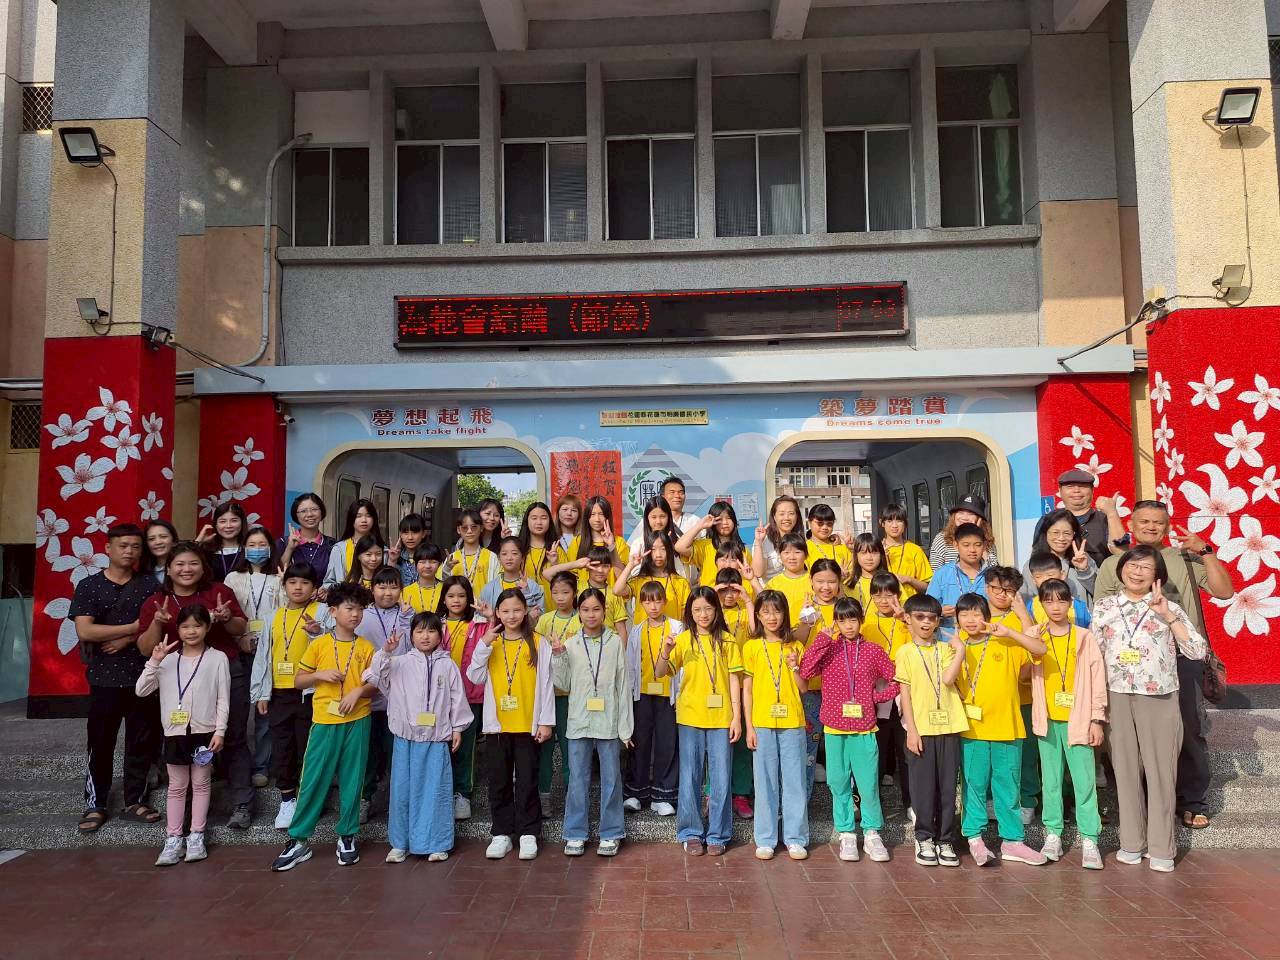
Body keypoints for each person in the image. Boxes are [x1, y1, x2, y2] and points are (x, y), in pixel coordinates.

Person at [1092, 499, 1233, 829]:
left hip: (1181, 658)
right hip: (1130, 669)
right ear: (1132, 525)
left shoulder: (1184, 558)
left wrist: (1206, 552)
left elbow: (1225, 592)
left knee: (1188, 729)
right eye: (1144, 521)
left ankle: (1191, 799)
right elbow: (1103, 614)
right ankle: (1139, 805)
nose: (1151, 527)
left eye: (1158, 522)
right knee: (1129, 738)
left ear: (1167, 527)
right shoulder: (1116, 563)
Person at [1091, 546, 1207, 872]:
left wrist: (1168, 616)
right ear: (1121, 569)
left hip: (1158, 696)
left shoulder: (1168, 607)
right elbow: (1094, 654)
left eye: (1145, 567)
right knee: (1125, 772)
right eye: (1132, 565)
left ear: (1157, 575)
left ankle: (1161, 849)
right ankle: (1131, 843)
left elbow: (1197, 651)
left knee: (1161, 773)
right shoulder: (1104, 607)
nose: (1137, 571)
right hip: (1116, 695)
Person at [138, 543, 252, 829]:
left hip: (225, 671)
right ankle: (187, 809)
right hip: (178, 680)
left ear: (203, 567)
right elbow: (144, 649)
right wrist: (156, 623)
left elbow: (240, 628)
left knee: (233, 736)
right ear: (168, 569)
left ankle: (242, 803)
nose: (186, 569)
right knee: (183, 738)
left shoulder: (219, 591)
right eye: (179, 564)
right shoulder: (156, 601)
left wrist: (226, 618)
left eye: (193, 563)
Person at [271, 581, 380, 871]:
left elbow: (375, 684)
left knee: (353, 779)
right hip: (324, 721)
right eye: (349, 609)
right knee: (313, 779)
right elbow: (298, 681)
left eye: (360, 610)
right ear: (333, 611)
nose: (355, 615)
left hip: (358, 719)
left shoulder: (366, 647)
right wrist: (320, 675)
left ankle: (347, 835)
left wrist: (358, 692)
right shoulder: (319, 644)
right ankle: (298, 839)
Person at [71, 523, 163, 833]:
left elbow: (156, 625)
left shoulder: (149, 585)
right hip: (103, 678)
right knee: (100, 743)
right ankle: (95, 803)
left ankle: (135, 801)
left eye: (136, 546)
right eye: (123, 545)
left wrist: (126, 638)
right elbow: (85, 630)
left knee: (141, 743)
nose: (130, 551)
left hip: (142, 677)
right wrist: (132, 628)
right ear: (108, 548)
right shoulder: (89, 585)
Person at [367, 611, 472, 863]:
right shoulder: (400, 662)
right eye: (420, 631)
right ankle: (400, 843)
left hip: (436, 739)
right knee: (402, 790)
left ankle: (437, 842)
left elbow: (457, 697)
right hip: (406, 738)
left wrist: (457, 728)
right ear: (411, 635)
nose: (425, 636)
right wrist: (386, 651)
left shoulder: (447, 664)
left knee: (435, 791)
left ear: (440, 635)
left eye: (431, 631)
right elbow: (374, 675)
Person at [799, 596, 898, 863]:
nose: (849, 626)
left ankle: (872, 832)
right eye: (842, 621)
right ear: (836, 623)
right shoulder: (829, 648)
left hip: (865, 728)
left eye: (853, 619)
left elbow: (897, 679)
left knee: (868, 783)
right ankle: (846, 833)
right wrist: (822, 637)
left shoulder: (873, 650)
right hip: (834, 728)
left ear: (861, 620)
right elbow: (806, 670)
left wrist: (874, 698)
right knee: (838, 782)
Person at [953, 593, 1049, 866]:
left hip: (1007, 727)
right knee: (974, 784)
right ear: (956, 619)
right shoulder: (954, 646)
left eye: (976, 613)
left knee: (1008, 785)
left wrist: (1010, 632)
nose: (970, 620)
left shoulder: (1004, 642)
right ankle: (974, 837)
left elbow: (1039, 650)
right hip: (972, 730)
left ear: (986, 616)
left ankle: (1012, 841)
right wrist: (957, 649)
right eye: (964, 614)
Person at [137, 605, 229, 866]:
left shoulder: (218, 658)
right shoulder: (167, 660)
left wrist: (220, 731)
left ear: (207, 628)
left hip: (204, 732)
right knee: (177, 786)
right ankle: (173, 838)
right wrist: (154, 661)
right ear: (177, 629)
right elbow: (141, 690)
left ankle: (197, 835)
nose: (191, 631)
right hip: (174, 732)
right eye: (185, 626)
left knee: (201, 783)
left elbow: (223, 698)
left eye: (197, 625)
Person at [467, 589, 556, 861]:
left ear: (526, 610)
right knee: (499, 780)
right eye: (505, 611)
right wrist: (483, 644)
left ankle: (529, 833)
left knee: (528, 779)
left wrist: (546, 721)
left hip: (528, 724)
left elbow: (547, 684)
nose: (511, 616)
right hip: (497, 726)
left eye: (517, 609)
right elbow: (474, 676)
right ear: (497, 613)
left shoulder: (538, 642)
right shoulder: (491, 642)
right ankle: (502, 833)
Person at [655, 586, 743, 856]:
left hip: (721, 717)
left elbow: (734, 680)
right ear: (689, 612)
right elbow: (660, 672)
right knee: (690, 775)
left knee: (721, 777)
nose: (703, 614)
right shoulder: (682, 640)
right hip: (690, 716)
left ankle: (718, 833)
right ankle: (690, 832)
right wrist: (665, 651)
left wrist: (737, 717)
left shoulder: (728, 641)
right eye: (697, 610)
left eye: (708, 608)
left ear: (716, 610)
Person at [1028, 578, 1107, 869]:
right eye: (1048, 600)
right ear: (1040, 604)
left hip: (1080, 719)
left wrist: (1097, 719)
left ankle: (1090, 838)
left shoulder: (1084, 637)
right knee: (1050, 780)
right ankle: (1053, 833)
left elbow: (1097, 679)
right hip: (1047, 720)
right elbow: (1024, 670)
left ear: (1070, 603)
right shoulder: (1035, 635)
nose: (1055, 606)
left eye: (1061, 600)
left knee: (1084, 780)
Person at [552, 588, 632, 856]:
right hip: (579, 721)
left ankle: (611, 832)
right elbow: (562, 685)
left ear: (604, 611)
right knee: (577, 779)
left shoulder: (615, 643)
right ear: (578, 612)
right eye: (585, 610)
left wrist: (625, 728)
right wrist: (558, 656)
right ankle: (575, 833)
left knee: (611, 778)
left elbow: (623, 685)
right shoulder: (572, 644)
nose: (591, 615)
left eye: (596, 609)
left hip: (608, 721)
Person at [251, 561, 327, 831]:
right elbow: (263, 656)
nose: (298, 587)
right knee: (282, 747)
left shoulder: (322, 612)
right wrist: (261, 692)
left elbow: (332, 648)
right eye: (292, 582)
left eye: (305, 583)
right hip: (279, 692)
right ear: (284, 586)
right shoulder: (273, 616)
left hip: (311, 692)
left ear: (314, 588)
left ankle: (310, 799)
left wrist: (317, 633)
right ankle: (287, 800)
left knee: (309, 747)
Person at [893, 593, 968, 867]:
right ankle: (924, 836)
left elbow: (948, 679)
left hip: (950, 725)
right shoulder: (905, 652)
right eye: (920, 617)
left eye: (932, 618)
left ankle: (945, 838)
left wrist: (960, 651)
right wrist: (911, 730)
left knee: (948, 787)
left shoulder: (946, 649)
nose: (926, 622)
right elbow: (905, 693)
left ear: (938, 621)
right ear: (908, 619)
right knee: (923, 786)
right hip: (921, 728)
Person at [742, 590, 809, 861]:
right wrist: (749, 726)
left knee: (794, 781)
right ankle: (766, 838)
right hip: (762, 722)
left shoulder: (796, 646)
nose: (772, 617)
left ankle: (795, 838)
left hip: (792, 722)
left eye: (777, 611)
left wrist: (795, 667)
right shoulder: (751, 647)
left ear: (785, 614)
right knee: (765, 781)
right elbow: (747, 690)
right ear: (758, 615)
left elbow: (804, 688)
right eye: (766, 612)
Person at [354, 565, 414, 825]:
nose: (388, 593)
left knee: (396, 753)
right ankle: (364, 798)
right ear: (372, 588)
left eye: (393, 587)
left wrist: (406, 619)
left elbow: (414, 648)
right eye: (382, 586)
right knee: (367, 753)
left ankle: (398, 802)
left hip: (399, 696)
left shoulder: (409, 614)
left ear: (401, 589)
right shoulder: (361, 615)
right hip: (368, 695)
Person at [224, 525, 281, 788]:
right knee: (237, 712)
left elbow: (284, 612)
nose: (257, 550)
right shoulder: (232, 578)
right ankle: (232, 766)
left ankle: (261, 766)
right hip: (240, 650)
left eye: (262, 545)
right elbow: (228, 615)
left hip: (270, 652)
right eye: (252, 545)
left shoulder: (279, 577)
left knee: (264, 711)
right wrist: (240, 640)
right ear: (244, 549)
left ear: (270, 548)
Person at [982, 565, 1038, 825]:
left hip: (1021, 696)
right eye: (997, 588)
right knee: (990, 757)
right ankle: (991, 800)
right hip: (988, 699)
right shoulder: (977, 615)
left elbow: (1037, 647)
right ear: (987, 588)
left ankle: (1026, 800)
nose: (1002, 594)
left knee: (1025, 755)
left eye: (1009, 590)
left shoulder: (1021, 618)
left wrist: (1023, 614)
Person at [623, 580, 682, 816]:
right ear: (641, 604)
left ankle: (663, 795)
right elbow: (630, 665)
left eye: (657, 601)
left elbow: (682, 663)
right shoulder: (637, 630)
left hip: (669, 695)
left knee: (667, 744)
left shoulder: (677, 627)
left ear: (665, 602)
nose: (653, 606)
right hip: (642, 694)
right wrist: (629, 694)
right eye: (648, 602)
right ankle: (636, 793)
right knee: (640, 742)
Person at [438, 575, 488, 821]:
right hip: (439, 697)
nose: (456, 600)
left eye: (461, 595)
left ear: (469, 598)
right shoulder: (436, 625)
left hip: (470, 694)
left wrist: (490, 616)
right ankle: (442, 792)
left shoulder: (479, 624)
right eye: (451, 596)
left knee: (466, 746)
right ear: (443, 599)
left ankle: (463, 793)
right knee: (441, 746)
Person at [536, 572, 579, 817]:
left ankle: (573, 799)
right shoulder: (544, 621)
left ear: (574, 593)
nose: (560, 597)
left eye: (565, 592)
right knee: (544, 749)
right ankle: (544, 797)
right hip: (547, 695)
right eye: (555, 593)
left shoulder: (580, 620)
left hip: (571, 696)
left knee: (569, 747)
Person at [1032, 468, 1126, 568]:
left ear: (1092, 490)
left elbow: (1123, 551)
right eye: (1070, 486)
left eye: (1082, 486)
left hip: (1097, 577)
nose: (1076, 490)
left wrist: (1112, 513)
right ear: (1060, 490)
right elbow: (1036, 557)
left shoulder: (1107, 519)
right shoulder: (1046, 520)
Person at [614, 530, 690, 626]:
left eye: (663, 549)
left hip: (672, 634)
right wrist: (631, 565)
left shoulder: (681, 582)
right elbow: (617, 590)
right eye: (653, 549)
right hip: (643, 634)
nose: (658, 554)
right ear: (647, 552)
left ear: (669, 551)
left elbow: (686, 617)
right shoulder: (639, 581)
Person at [926, 523, 989, 633]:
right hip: (950, 636)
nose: (972, 550)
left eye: (978, 545)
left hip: (984, 637)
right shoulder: (943, 573)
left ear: (984, 545)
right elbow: (927, 607)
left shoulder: (992, 575)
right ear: (956, 545)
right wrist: (940, 611)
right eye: (966, 545)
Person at [1022, 508, 1096, 602]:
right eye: (1055, 532)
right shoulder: (1032, 565)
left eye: (1067, 533)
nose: (1061, 538)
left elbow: (1099, 592)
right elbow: (1027, 600)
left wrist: (1084, 570)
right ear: (1045, 533)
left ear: (1074, 534)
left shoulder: (1084, 558)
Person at [674, 502, 750, 588]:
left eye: (729, 518)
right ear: (713, 522)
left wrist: (758, 543)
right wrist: (700, 526)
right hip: (710, 595)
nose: (725, 522)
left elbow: (755, 574)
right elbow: (679, 547)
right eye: (720, 519)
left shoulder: (742, 549)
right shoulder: (705, 546)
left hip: (736, 595)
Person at [475, 536, 546, 619]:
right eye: (504, 554)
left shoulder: (532, 586)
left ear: (522, 558)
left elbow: (540, 616)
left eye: (514, 553)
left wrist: (527, 592)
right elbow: (482, 617)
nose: (509, 558)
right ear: (499, 558)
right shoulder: (489, 588)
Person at [324, 498, 385, 587]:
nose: (364, 520)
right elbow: (328, 582)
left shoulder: (383, 549)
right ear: (351, 519)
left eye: (368, 516)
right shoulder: (339, 549)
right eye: (358, 516)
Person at [277, 492, 336, 582]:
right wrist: (290, 548)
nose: (309, 514)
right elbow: (278, 572)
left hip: (322, 592)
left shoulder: (332, 545)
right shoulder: (283, 542)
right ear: (296, 515)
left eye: (314, 509)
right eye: (303, 511)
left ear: (322, 512)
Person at [928, 495, 999, 569]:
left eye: (971, 514)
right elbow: (935, 571)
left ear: (979, 519)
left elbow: (995, 570)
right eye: (961, 513)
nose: (964, 518)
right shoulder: (942, 538)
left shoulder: (986, 539)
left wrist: (978, 536)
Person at [879, 502, 932, 597]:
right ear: (882, 523)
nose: (894, 525)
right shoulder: (876, 550)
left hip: (909, 603)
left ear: (905, 524)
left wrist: (909, 579)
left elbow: (928, 587)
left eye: (899, 521)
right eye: (889, 521)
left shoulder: (915, 550)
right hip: (881, 602)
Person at [445, 508, 500, 595]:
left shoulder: (491, 557)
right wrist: (446, 569)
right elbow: (443, 587)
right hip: (458, 603)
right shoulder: (452, 558)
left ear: (481, 528)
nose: (469, 531)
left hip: (483, 603)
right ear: (458, 530)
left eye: (474, 527)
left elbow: (497, 588)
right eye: (464, 528)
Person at [752, 495, 802, 582]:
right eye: (782, 514)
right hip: (770, 589)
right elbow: (758, 573)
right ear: (774, 517)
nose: (786, 518)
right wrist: (759, 543)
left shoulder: (800, 539)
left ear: (797, 516)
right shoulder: (764, 540)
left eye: (791, 513)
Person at [198, 501, 248, 583]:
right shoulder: (206, 550)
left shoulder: (250, 550)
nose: (228, 526)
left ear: (242, 523)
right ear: (216, 525)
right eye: (222, 521)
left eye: (234, 520)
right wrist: (198, 541)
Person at [518, 500, 558, 599]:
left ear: (550, 521)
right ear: (527, 521)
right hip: (525, 602)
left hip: (552, 603)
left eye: (544, 518)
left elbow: (565, 582)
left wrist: (555, 564)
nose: (539, 522)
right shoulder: (518, 550)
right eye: (534, 518)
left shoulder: (556, 550)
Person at [804, 503, 851, 573]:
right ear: (809, 523)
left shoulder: (843, 548)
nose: (825, 527)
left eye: (829, 524)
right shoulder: (804, 549)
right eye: (820, 523)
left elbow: (854, 572)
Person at [847, 533, 888, 610]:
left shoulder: (890, 581)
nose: (869, 558)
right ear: (856, 555)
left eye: (874, 552)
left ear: (881, 555)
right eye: (863, 553)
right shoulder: (848, 584)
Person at [388, 513, 428, 586]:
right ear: (400, 534)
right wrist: (392, 561)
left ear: (423, 534)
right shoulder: (396, 558)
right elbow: (388, 582)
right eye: (406, 533)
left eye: (415, 532)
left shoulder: (431, 557)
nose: (410, 537)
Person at [405, 543, 445, 614]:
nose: (427, 566)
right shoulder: (405, 592)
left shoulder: (446, 590)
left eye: (433, 562)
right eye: (422, 562)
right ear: (415, 564)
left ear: (439, 564)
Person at [553, 494, 583, 559]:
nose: (569, 513)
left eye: (574, 510)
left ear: (579, 515)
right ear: (558, 513)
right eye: (565, 509)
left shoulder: (585, 538)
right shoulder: (551, 537)